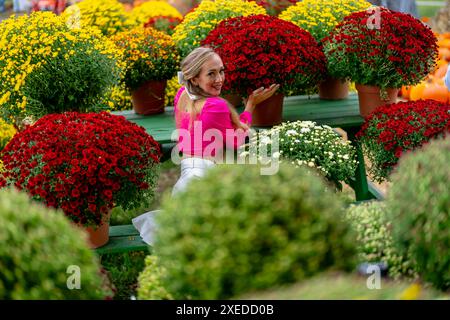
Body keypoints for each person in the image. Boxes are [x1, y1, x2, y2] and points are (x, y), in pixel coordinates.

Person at [132, 47, 279, 244]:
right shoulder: (216, 105)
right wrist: (251, 105)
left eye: (221, 71)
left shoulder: (182, 94)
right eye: (211, 73)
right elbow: (237, 140)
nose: (219, 78)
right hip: (204, 178)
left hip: (187, 176)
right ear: (194, 79)